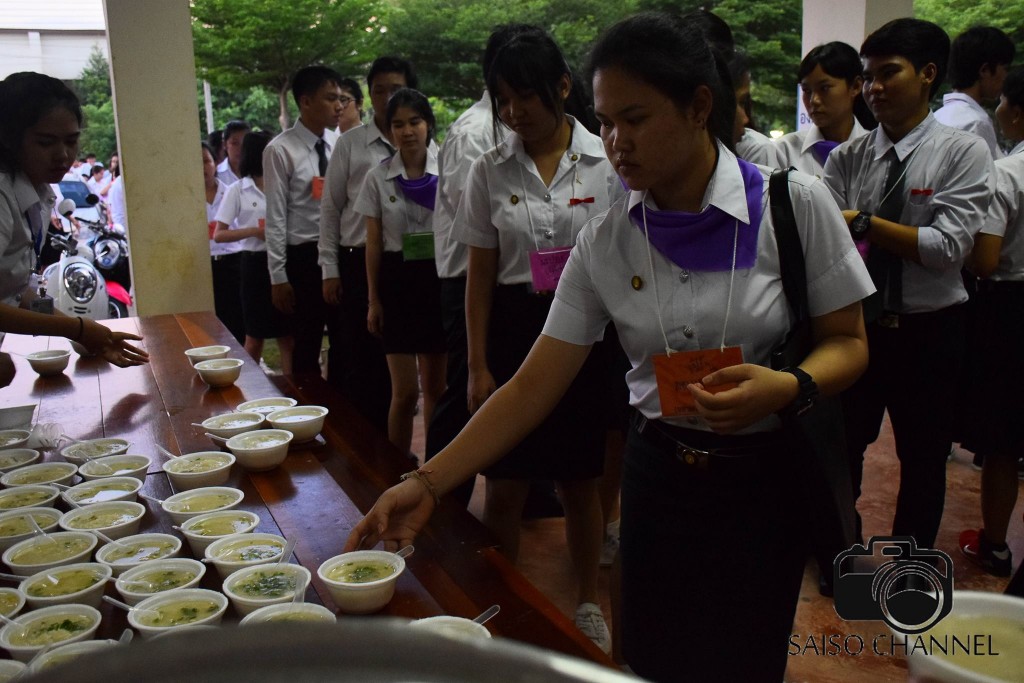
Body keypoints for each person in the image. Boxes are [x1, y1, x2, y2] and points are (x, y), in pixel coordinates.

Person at [347, 13, 872, 680]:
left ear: (698, 106)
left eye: (635, 119)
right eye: (605, 121)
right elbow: (532, 385)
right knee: (647, 654)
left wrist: (790, 385)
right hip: (659, 476)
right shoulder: (606, 239)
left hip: (762, 482)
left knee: (745, 655)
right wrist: (427, 481)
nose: (616, 142)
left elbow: (847, 342)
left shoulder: (791, 206)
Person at [449, 26, 623, 654]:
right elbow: (479, 276)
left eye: (525, 95)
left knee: (581, 482)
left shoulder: (606, 160)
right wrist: (476, 364)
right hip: (514, 331)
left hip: (587, 332)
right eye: (503, 99)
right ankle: (503, 607)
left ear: (563, 87)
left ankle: (587, 601)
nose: (514, 111)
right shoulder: (488, 169)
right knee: (505, 484)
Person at [823, 18, 993, 550]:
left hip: (931, 331)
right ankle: (839, 554)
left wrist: (863, 223)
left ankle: (907, 572)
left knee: (922, 460)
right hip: (859, 327)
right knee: (843, 450)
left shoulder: (963, 152)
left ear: (927, 74)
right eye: (868, 76)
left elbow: (947, 250)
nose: (873, 87)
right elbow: (824, 246)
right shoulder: (848, 157)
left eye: (888, 73)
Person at [0, 71, 148, 372]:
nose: (63, 155)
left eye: (72, 140)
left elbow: (15, 291)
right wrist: (78, 329)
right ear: (10, 139)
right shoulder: (2, 194)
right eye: (45, 142)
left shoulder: (40, 194)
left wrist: (82, 329)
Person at [319, 57, 418, 431]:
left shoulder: (422, 141)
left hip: (408, 262)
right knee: (362, 360)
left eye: (396, 89)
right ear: (369, 95)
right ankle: (366, 449)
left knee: (403, 363)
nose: (388, 97)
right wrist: (330, 269)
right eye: (379, 90)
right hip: (358, 261)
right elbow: (330, 209)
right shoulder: (351, 144)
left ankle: (394, 449)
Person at [354, 89, 446, 456]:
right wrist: (373, 300)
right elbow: (373, 243)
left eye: (414, 122)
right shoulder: (377, 178)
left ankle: (436, 472)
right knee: (405, 393)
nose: (407, 131)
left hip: (438, 280)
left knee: (437, 391)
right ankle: (395, 472)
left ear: (428, 124)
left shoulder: (449, 172)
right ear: (389, 130)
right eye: (398, 124)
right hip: (396, 284)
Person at [958, 66, 1024, 577]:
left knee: (1004, 440)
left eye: (1002, 103)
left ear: (1016, 112)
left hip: (1010, 310)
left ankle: (996, 546)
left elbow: (984, 259)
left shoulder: (1008, 173)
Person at [264, 65, 344, 374]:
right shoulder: (280, 150)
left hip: (338, 251)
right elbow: (276, 216)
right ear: (306, 101)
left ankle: (340, 402)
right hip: (304, 258)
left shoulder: (339, 144)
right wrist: (278, 276)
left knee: (345, 339)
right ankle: (304, 403)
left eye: (341, 99)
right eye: (330, 98)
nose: (339, 106)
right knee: (306, 342)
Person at [213, 131, 295, 373]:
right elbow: (219, 234)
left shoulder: (284, 185)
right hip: (254, 265)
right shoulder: (238, 190)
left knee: (287, 335)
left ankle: (292, 388)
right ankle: (249, 389)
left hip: (283, 260)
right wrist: (254, 232)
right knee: (254, 336)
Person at [776, 42, 875, 177]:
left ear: (856, 86)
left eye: (824, 88)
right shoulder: (784, 151)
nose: (814, 100)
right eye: (807, 91)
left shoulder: (875, 150)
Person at [934, 26, 1015, 160]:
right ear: (985, 70)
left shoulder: (937, 116)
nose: (1006, 77)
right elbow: (987, 173)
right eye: (1005, 68)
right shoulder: (975, 122)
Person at [202, 141, 246, 344]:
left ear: (216, 163)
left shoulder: (231, 192)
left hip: (233, 262)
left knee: (237, 318)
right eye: (196, 163)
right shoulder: (186, 199)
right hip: (205, 265)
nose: (203, 168)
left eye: (206, 161)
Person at [216, 120, 251, 185]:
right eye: (235, 143)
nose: (241, 148)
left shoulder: (258, 173)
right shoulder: (217, 175)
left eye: (245, 143)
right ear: (224, 144)